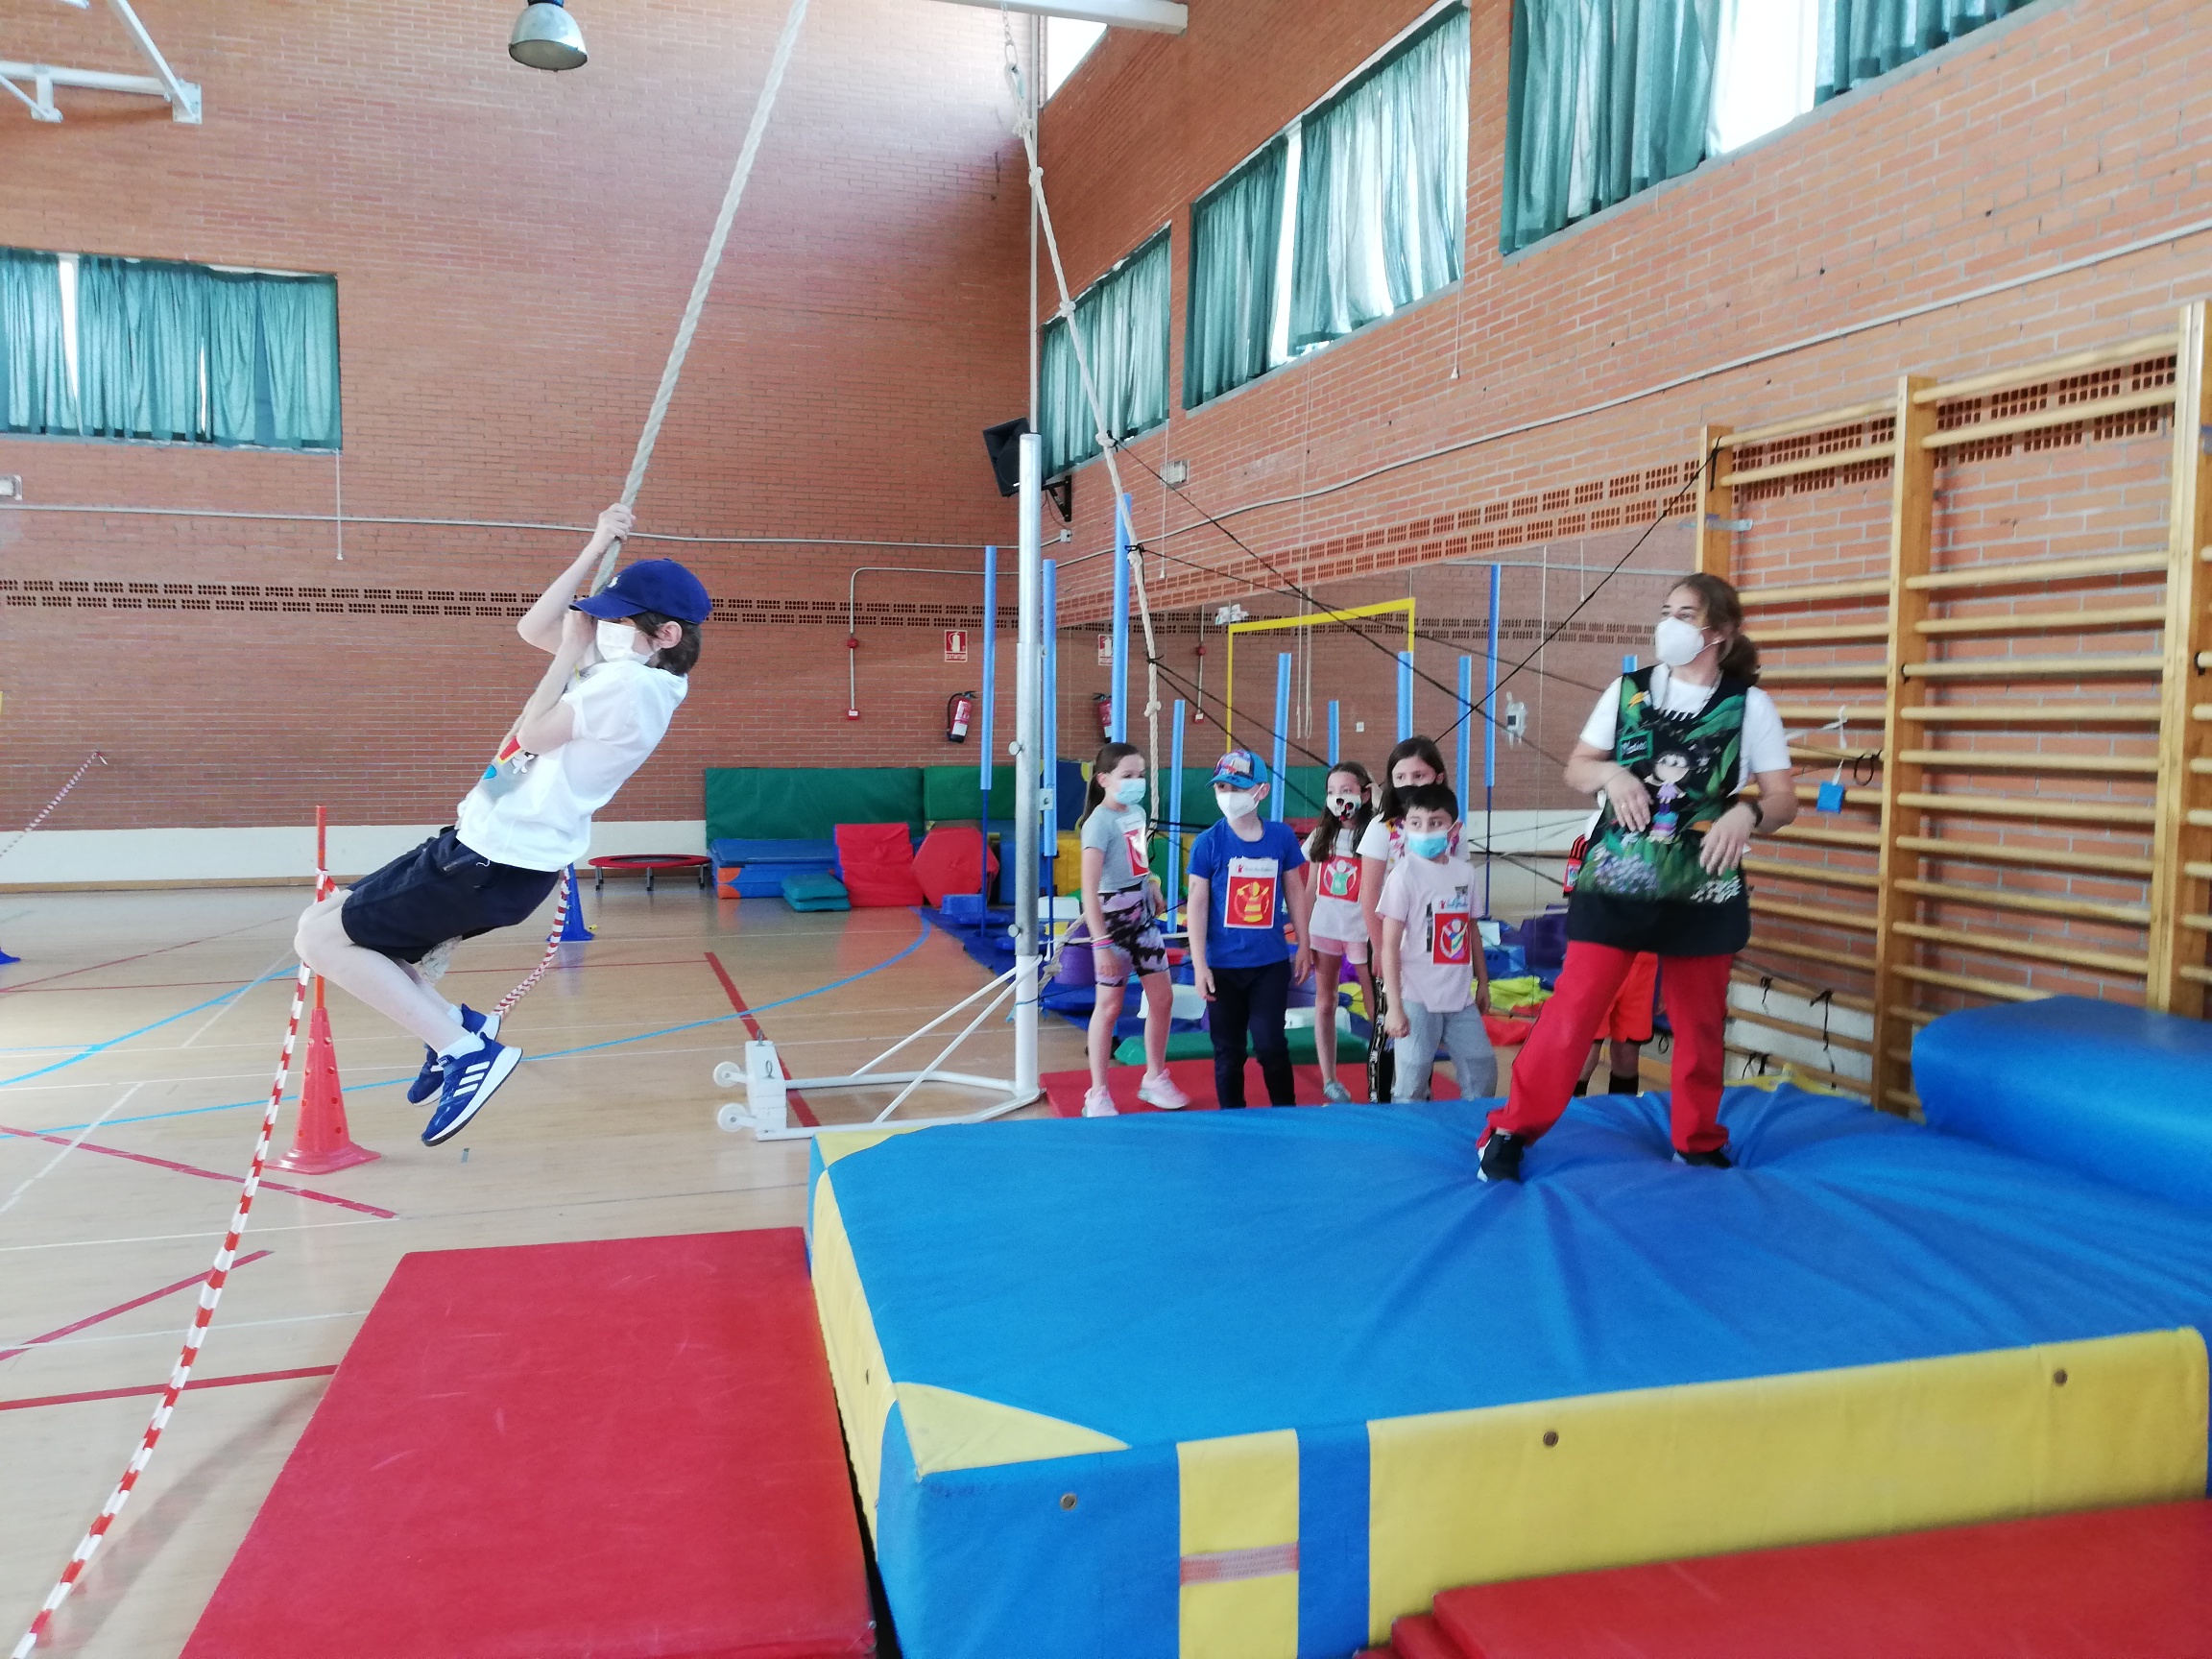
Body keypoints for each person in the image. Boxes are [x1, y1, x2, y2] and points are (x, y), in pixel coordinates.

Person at [294, 505, 709, 1147]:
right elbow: (533, 627)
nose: (599, 628)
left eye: (618, 620)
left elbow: (532, 735)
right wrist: (595, 545)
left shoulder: (628, 687)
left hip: (493, 861)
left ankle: (467, 1053)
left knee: (321, 944)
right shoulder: (631, 676)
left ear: (666, 635)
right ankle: (461, 1028)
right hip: (484, 850)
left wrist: (568, 655)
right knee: (328, 924)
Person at [1479, 573, 1796, 1183]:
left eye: (1686, 614)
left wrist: (1748, 813)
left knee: (1700, 1022)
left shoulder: (1749, 706)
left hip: (1701, 885)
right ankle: (1512, 1128)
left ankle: (1696, 1138)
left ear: (1720, 633)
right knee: (1574, 1009)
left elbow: (1784, 799)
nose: (1670, 624)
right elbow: (1578, 766)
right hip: (1618, 879)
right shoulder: (1627, 692)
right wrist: (1612, 775)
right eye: (1666, 611)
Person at [1185, 750, 1313, 1108]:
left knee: (1271, 1044)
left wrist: (1304, 943)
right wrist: (1199, 964)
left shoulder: (1281, 837)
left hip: (1268, 964)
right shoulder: (1208, 842)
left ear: (1261, 791)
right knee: (1228, 1050)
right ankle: (1232, 1117)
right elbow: (1197, 903)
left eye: (1237, 787)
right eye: (1221, 787)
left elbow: (1295, 890)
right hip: (1222, 967)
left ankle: (1285, 1112)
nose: (1228, 795)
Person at [1077, 741, 1188, 1117]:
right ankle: (1098, 1092)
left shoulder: (1137, 813)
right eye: (1128, 775)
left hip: (1143, 920)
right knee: (1108, 1007)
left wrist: (1152, 883)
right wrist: (1100, 944)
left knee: (1162, 998)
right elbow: (1089, 890)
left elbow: (1139, 861)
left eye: (1140, 775)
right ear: (1104, 780)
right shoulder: (1098, 824)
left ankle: (1154, 1077)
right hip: (1112, 926)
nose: (1137, 782)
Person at [1356, 736, 1467, 1101]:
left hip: (1435, 948)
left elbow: (1460, 886)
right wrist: (1378, 948)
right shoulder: (1382, 828)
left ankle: (1420, 1098)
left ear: (1438, 777)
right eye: (1400, 777)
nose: (1409, 784)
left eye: (1418, 775)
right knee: (1390, 1025)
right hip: (1393, 945)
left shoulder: (1451, 830)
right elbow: (1368, 893)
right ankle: (1381, 1100)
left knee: (1425, 1031)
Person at [1376, 782, 1496, 1103]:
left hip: (1459, 997)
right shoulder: (1403, 876)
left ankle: (1475, 1125)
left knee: (1482, 1067)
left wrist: (1483, 982)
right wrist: (1394, 1007)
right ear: (1405, 826)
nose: (1425, 831)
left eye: (1436, 823)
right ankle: (1408, 1130)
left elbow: (1471, 931)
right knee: (1412, 1075)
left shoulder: (1465, 873)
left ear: (1453, 829)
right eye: (1416, 823)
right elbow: (1389, 945)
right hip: (1417, 997)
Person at [1302, 761, 1377, 1104]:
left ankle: (1384, 1067)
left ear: (1364, 794)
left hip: (1361, 930)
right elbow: (1310, 889)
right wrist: (1303, 937)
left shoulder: (1376, 833)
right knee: (1325, 1001)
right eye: (1332, 792)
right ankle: (1329, 1078)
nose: (1338, 798)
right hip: (1325, 928)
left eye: (1346, 791)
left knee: (1375, 1004)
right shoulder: (1323, 835)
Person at [1575, 950, 1658, 1096]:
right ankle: (1570, 1109)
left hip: (1644, 964)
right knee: (1586, 1053)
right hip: (1600, 958)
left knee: (1627, 1053)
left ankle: (1623, 1109)